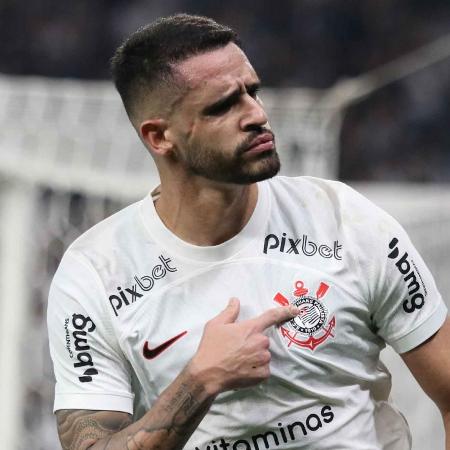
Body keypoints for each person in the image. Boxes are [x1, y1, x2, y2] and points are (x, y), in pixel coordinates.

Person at [47, 13, 450, 450]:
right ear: (160, 137)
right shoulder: (96, 271)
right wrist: (198, 382)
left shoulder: (347, 222)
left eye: (252, 92)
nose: (256, 114)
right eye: (223, 105)